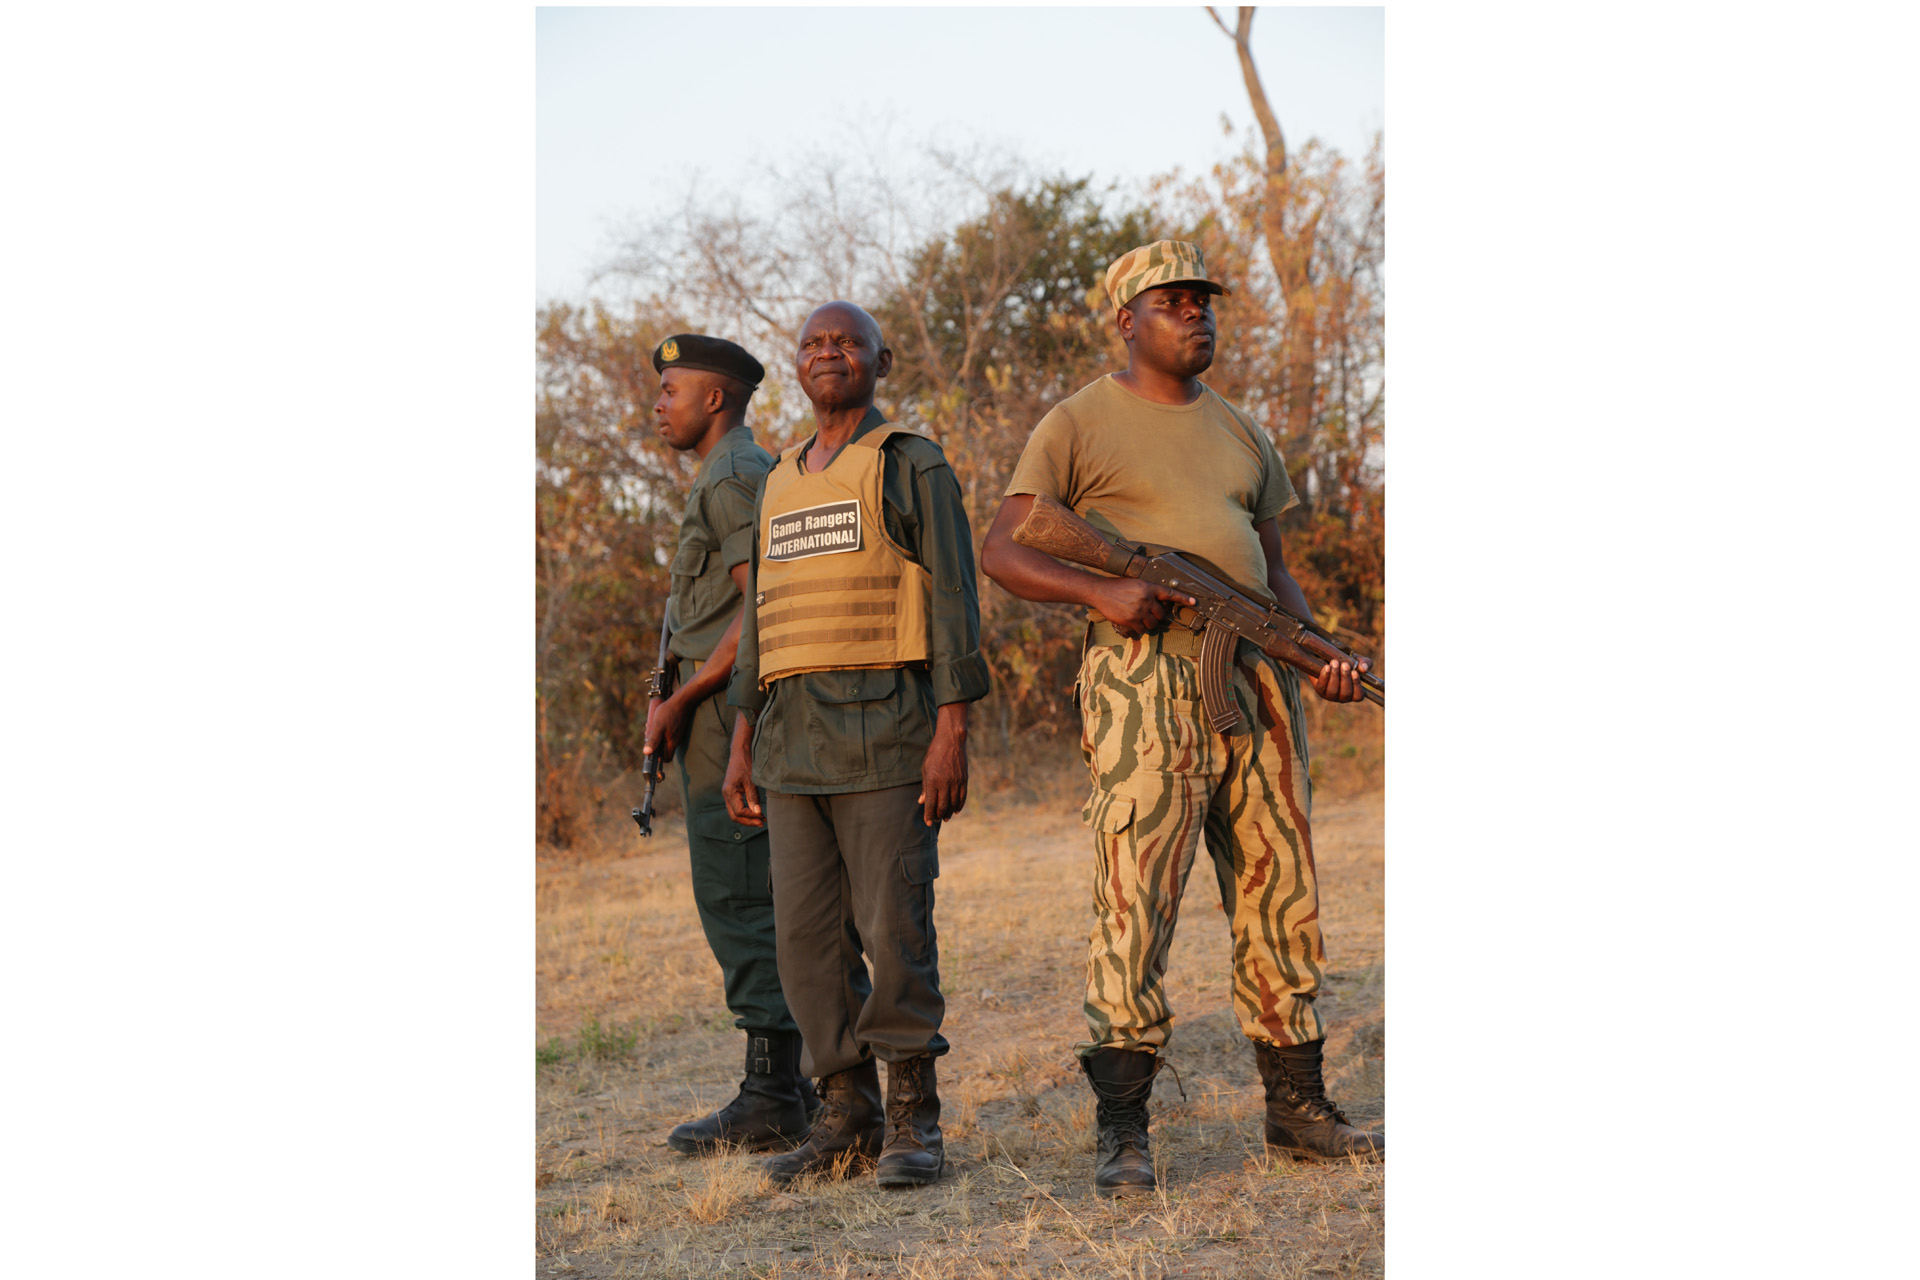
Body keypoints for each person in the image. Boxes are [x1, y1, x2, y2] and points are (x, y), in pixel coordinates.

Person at [978, 240, 1384, 1198]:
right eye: (1175, 300)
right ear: (1128, 319)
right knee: (1136, 899)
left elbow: (1272, 571)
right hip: (1143, 686)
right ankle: (1125, 1130)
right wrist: (1103, 596)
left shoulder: (1243, 431)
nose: (1198, 313)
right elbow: (1005, 547)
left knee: (1280, 888)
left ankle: (1297, 1109)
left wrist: (1322, 652)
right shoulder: (1079, 419)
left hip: (1260, 688)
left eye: (1205, 300)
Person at [721, 301, 989, 1189]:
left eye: (846, 342)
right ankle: (845, 1114)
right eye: (813, 344)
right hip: (791, 749)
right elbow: (759, 625)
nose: (828, 354)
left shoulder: (910, 464)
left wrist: (951, 728)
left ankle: (915, 1119)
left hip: (886, 735)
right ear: (796, 366)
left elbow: (954, 600)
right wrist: (740, 741)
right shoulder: (779, 478)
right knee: (805, 941)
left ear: (882, 358)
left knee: (893, 928)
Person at [641, 333, 816, 1155]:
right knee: (750, 895)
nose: (658, 404)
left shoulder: (737, 477)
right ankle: (793, 1083)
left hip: (726, 717)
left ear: (715, 400)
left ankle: (775, 1093)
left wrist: (685, 698)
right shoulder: (733, 474)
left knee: (742, 896)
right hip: (714, 710)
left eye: (670, 389)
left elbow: (761, 610)